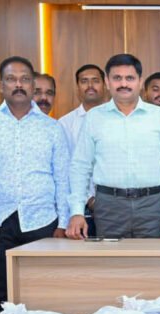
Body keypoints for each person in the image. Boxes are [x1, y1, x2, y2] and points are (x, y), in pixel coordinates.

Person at [0, 56, 70, 314]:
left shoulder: (52, 128)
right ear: (1, 85)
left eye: (24, 79)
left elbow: (62, 178)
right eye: (11, 79)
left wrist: (63, 223)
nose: (18, 85)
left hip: (42, 221)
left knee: (42, 292)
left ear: (32, 85)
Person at [66, 53, 160, 240]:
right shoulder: (94, 117)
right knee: (111, 259)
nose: (123, 84)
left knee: (152, 258)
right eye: (117, 78)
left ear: (140, 82)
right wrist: (76, 211)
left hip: (152, 206)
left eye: (130, 78)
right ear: (107, 82)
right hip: (109, 207)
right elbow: (80, 167)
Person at [58, 64, 109, 238]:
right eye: (84, 81)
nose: (90, 86)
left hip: (116, 205)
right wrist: (88, 198)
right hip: (80, 209)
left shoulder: (116, 119)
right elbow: (67, 167)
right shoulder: (65, 124)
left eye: (95, 81)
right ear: (77, 87)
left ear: (105, 85)